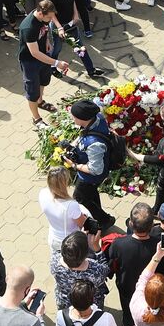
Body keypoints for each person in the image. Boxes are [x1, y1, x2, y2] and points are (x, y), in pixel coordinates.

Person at [64, 99, 117, 231]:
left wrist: (74, 165)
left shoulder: (94, 145)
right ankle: (98, 216)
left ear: (83, 119)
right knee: (91, 194)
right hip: (91, 179)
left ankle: (104, 220)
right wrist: (74, 145)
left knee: (80, 197)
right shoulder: (97, 118)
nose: (72, 118)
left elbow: (95, 169)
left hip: (89, 178)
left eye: (74, 116)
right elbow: (84, 134)